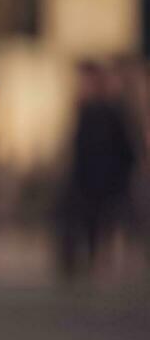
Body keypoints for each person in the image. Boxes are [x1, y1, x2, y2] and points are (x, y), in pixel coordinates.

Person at [57, 60, 139, 278]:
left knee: (104, 222)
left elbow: (125, 149)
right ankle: (81, 262)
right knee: (84, 222)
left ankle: (99, 260)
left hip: (105, 181)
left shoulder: (111, 112)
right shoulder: (84, 110)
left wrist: (121, 177)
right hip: (85, 180)